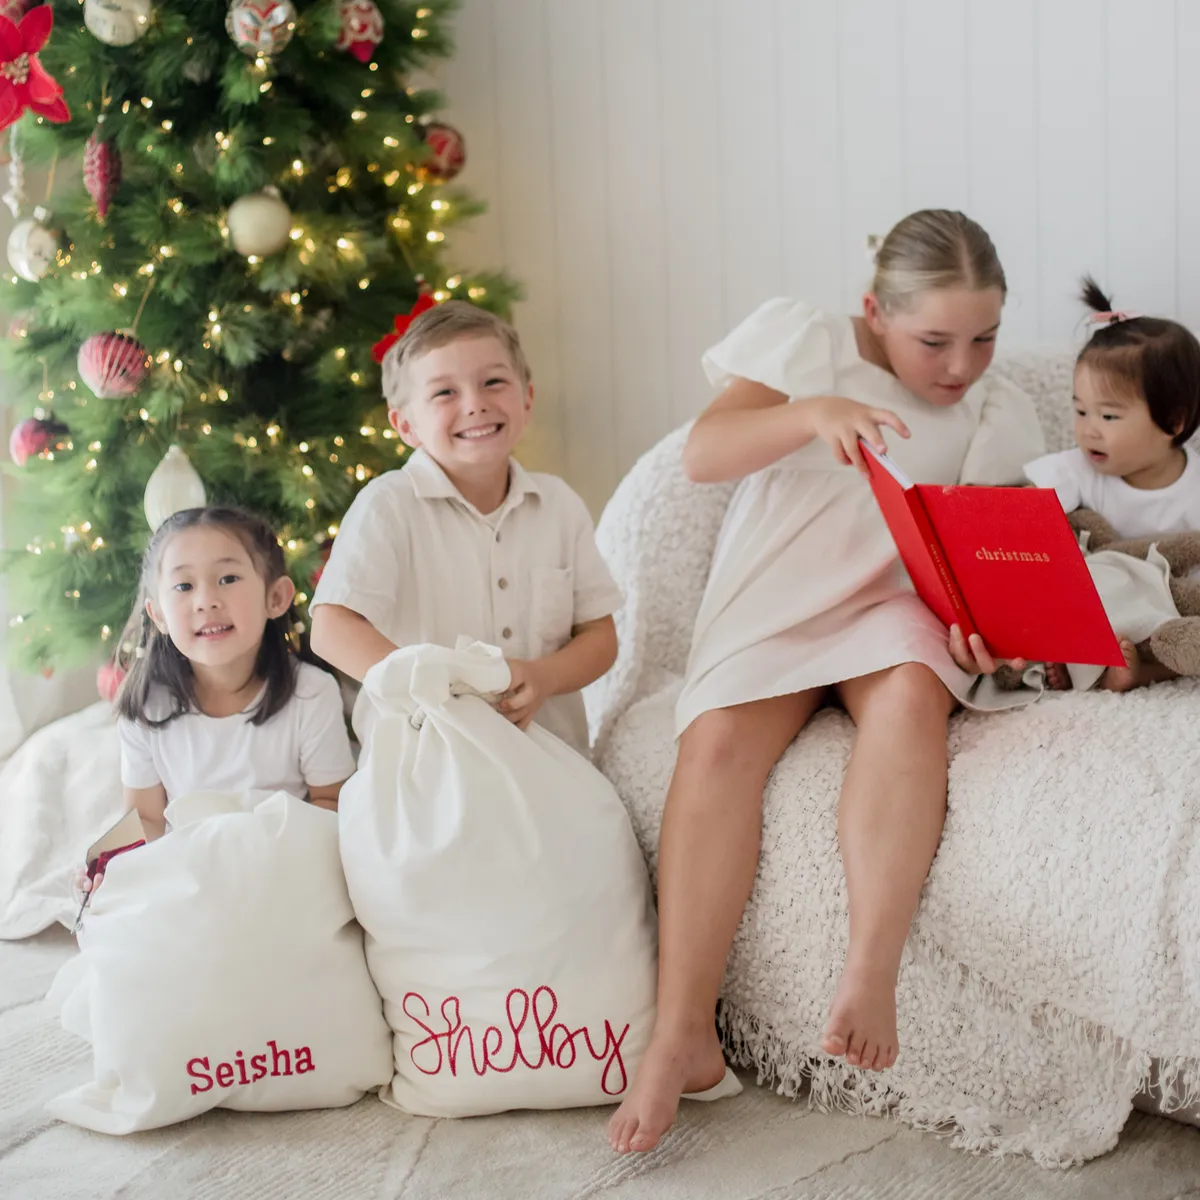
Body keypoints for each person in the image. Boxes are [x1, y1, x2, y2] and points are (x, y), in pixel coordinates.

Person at [608, 210, 1045, 1154]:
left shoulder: (994, 406)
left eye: (986, 336)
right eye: (935, 340)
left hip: (892, 603)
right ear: (873, 313)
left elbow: (985, 546)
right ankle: (682, 1027)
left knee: (910, 700)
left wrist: (987, 632)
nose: (961, 364)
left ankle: (870, 967)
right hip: (777, 597)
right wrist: (812, 413)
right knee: (716, 744)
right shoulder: (806, 340)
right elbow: (702, 454)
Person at [309, 300, 621, 757]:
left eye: (493, 382)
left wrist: (543, 676)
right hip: (430, 765)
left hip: (552, 762)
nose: (475, 404)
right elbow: (331, 628)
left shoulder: (559, 506)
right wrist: (431, 691)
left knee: (599, 829)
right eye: (444, 393)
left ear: (526, 398)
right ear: (406, 425)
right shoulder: (388, 504)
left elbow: (601, 636)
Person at [78, 506, 355, 900]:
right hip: (190, 873)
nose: (206, 601)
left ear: (275, 598)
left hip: (279, 867)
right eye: (183, 587)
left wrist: (266, 859)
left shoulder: (310, 693)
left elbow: (332, 804)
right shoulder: (147, 709)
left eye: (228, 578)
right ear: (157, 614)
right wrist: (106, 868)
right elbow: (146, 819)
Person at [1024, 276, 1200, 691]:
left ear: (1172, 421)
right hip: (1104, 608)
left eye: (1108, 417)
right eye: (1080, 412)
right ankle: (1089, 663)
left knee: (1187, 635)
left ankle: (1146, 671)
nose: (1088, 431)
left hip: (1172, 610)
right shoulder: (1074, 471)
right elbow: (1028, 522)